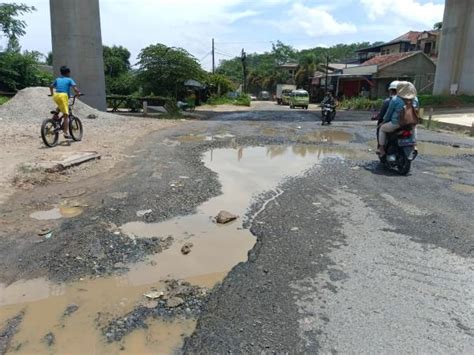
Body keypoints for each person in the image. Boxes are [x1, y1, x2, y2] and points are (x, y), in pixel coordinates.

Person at [378, 81, 418, 157]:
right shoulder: (415, 99)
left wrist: (383, 122)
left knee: (382, 129)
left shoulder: (395, 99)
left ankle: (381, 149)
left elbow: (388, 114)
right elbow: (416, 110)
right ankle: (414, 146)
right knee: (414, 127)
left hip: (396, 123)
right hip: (410, 123)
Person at [49, 66, 81, 139]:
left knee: (59, 107)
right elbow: (75, 88)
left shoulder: (57, 79)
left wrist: (51, 94)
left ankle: (53, 121)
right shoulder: (69, 79)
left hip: (56, 96)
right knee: (66, 115)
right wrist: (78, 93)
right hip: (63, 96)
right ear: (68, 73)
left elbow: (51, 86)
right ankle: (66, 133)